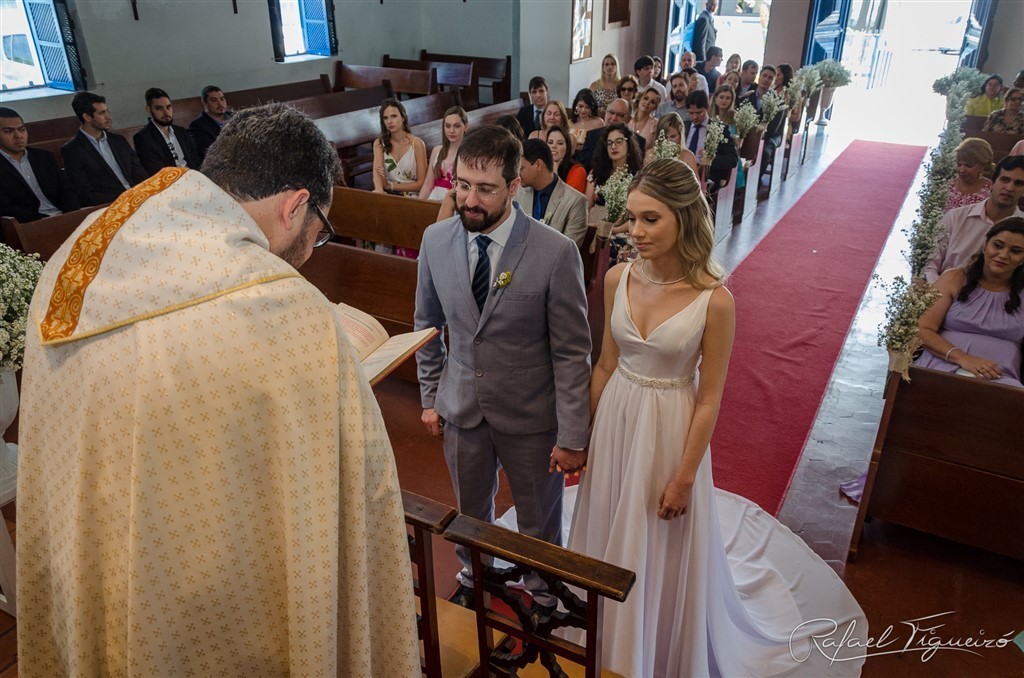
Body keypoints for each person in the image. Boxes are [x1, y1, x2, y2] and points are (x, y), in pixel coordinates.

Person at [17, 103, 419, 676]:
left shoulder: (78, 254)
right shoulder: (280, 307)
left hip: (90, 561)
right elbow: (353, 488)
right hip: (202, 603)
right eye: (320, 234)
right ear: (294, 206)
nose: (311, 252)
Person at [566, 158, 866, 677]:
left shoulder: (715, 301)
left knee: (653, 537)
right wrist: (585, 436)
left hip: (668, 427)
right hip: (617, 418)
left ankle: (648, 647)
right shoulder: (617, 278)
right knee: (610, 522)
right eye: (631, 218)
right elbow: (606, 365)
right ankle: (600, 638)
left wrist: (684, 478)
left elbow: (709, 399)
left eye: (650, 219)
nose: (635, 232)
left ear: (684, 218)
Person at [414, 125, 592, 612]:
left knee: (538, 520)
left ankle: (541, 594)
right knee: (471, 513)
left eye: (486, 189)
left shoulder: (555, 252)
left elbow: (573, 352)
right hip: (461, 409)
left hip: (531, 417)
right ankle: (477, 578)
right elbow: (426, 324)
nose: (470, 200)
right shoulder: (434, 241)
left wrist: (573, 434)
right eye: (463, 185)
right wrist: (431, 397)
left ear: (515, 187)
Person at [917, 219, 1024, 388]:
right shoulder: (954, 278)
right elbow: (922, 329)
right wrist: (964, 359)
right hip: (941, 367)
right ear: (985, 245)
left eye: (1016, 251)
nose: (1003, 255)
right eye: (998, 245)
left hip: (1002, 380)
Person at [924, 155, 1024, 283]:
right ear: (992, 184)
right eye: (1004, 180)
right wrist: (940, 293)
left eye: (1019, 183)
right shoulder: (955, 218)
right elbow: (929, 265)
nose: (1009, 188)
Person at [61, 92, 147, 207]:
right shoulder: (72, 150)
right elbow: (85, 194)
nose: (109, 117)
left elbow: (139, 173)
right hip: (109, 205)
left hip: (137, 197)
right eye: (102, 113)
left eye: (107, 111)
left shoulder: (118, 140)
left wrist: (143, 192)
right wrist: (124, 197)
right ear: (87, 117)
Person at [0, 107, 79, 222]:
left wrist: (70, 215)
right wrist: (47, 222)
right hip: (29, 225)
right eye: (8, 131)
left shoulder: (44, 157)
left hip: (64, 215)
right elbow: (7, 209)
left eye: (22, 129)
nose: (18, 136)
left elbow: (66, 190)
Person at [587, 123, 644, 261]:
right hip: (595, 226)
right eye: (609, 143)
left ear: (629, 145)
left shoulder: (638, 177)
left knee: (618, 248)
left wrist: (614, 229)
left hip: (624, 229)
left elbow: (638, 216)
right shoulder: (596, 174)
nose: (613, 146)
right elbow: (586, 206)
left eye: (619, 142)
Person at [516, 138, 588, 246]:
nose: (517, 173)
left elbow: (569, 252)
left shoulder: (575, 201)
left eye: (521, 168)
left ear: (539, 165)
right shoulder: (517, 193)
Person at [132, 87, 201, 176]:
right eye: (159, 108)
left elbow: (196, 161)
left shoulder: (181, 132)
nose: (166, 112)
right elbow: (155, 171)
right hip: (170, 184)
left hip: (193, 178)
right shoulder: (142, 138)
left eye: (168, 107)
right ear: (148, 109)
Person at [372, 98, 427, 196]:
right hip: (388, 193)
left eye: (394, 116)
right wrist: (379, 191)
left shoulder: (417, 144)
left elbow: (421, 183)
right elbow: (377, 174)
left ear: (403, 117)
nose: (389, 121)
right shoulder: (379, 144)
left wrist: (391, 186)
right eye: (385, 118)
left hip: (412, 195)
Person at [684, 90, 739, 187]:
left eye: (699, 112)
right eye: (691, 113)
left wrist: (710, 159)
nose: (695, 117)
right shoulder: (684, 127)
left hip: (707, 177)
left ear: (707, 108)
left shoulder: (720, 129)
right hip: (683, 173)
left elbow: (733, 159)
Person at [577, 97, 647, 171]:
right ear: (605, 113)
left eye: (620, 115)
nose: (614, 118)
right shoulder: (592, 136)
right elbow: (583, 164)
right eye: (611, 112)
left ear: (629, 119)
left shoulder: (639, 141)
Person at [420, 105, 468, 200]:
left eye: (457, 126)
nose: (451, 131)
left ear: (465, 127)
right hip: (433, 199)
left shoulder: (468, 154)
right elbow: (428, 184)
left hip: (453, 202)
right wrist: (418, 205)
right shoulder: (437, 150)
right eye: (447, 126)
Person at [945, 138, 994, 212]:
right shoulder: (947, 186)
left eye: (968, 165)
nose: (962, 170)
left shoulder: (991, 190)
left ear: (983, 165)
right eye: (959, 164)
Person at [189, 85, 233, 161]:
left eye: (222, 99)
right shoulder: (197, 126)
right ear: (205, 103)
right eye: (214, 100)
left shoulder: (235, 117)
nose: (220, 103)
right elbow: (209, 153)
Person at [546, 124, 588, 193]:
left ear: (567, 148)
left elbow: (567, 201)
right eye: (550, 142)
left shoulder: (578, 170)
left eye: (560, 143)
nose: (553, 146)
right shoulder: (540, 166)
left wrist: (555, 175)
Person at [630, 86, 661, 151]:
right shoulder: (629, 120)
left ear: (655, 107)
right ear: (639, 98)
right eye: (646, 98)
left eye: (652, 102)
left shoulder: (655, 124)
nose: (647, 103)